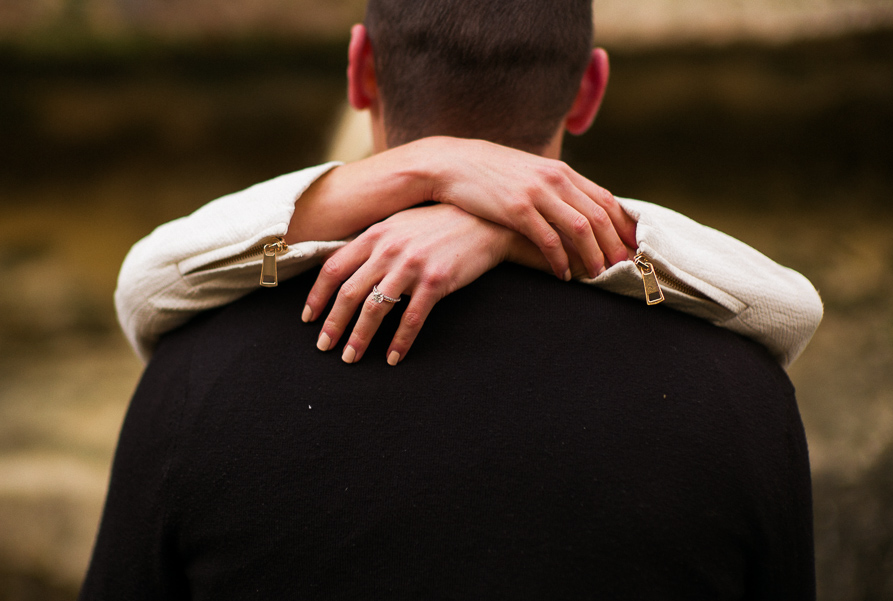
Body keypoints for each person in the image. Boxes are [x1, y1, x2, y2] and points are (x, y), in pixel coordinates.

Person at [81, 1, 818, 598]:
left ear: (361, 68)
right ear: (590, 89)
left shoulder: (191, 382)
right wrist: (498, 208)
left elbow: (146, 282)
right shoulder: (742, 396)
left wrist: (441, 185)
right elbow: (790, 311)